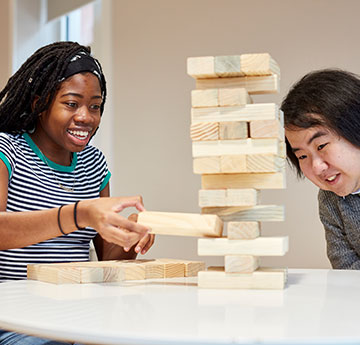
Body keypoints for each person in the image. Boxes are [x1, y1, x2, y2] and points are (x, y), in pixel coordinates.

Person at [0, 41, 154, 344]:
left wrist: (131, 239)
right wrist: (79, 214)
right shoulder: (7, 150)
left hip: (78, 317)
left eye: (95, 106)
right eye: (71, 104)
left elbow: (108, 259)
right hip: (16, 321)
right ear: (38, 103)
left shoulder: (94, 165)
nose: (86, 117)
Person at [282, 68, 360, 270]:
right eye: (302, 156)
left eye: (322, 146)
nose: (317, 167)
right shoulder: (330, 199)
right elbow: (346, 271)